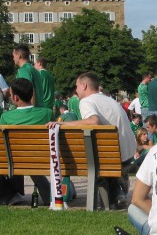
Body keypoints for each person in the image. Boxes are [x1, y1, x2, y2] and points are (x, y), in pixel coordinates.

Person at [48, 72, 137, 209]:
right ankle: (117, 192)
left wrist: (62, 124)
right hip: (125, 154)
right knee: (99, 156)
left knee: (94, 161)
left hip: (110, 156)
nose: (76, 90)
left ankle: (114, 195)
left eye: (77, 86)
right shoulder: (110, 100)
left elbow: (93, 121)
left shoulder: (86, 101)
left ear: (84, 86)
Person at [0, 78, 53, 206]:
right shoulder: (47, 113)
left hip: (13, 160)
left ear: (16, 98)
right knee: (31, 159)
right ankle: (51, 196)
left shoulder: (5, 117)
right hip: (41, 159)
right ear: (32, 94)